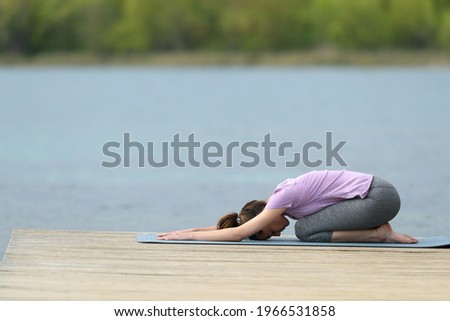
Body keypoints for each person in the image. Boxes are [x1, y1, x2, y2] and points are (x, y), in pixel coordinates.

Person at [158, 170, 418, 244]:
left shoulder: (282, 199)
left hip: (378, 197)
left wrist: (190, 237)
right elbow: (236, 228)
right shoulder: (286, 203)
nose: (278, 233)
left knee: (305, 231)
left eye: (269, 232)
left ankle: (380, 234)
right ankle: (379, 232)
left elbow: (238, 234)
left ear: (263, 217)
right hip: (375, 198)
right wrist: (186, 229)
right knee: (307, 229)